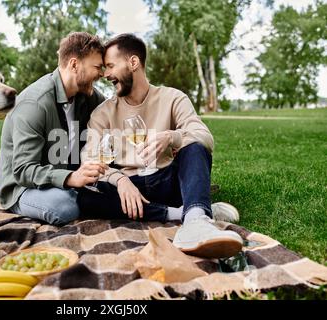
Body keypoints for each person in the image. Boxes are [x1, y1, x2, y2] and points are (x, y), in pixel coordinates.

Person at [77, 34, 243, 259]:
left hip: (167, 181)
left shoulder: (173, 98)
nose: (105, 75)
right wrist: (120, 180)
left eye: (110, 66)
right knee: (85, 198)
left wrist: (171, 137)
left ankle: (195, 224)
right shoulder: (103, 112)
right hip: (130, 190)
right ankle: (189, 212)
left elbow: (205, 138)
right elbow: (90, 158)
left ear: (133, 63)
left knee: (194, 147)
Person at [0, 32, 108, 226]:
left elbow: (116, 113)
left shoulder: (87, 96)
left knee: (115, 184)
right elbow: (23, 170)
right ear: (74, 64)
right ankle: (83, 197)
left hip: (63, 175)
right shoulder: (35, 104)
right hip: (21, 186)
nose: (102, 74)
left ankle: (83, 195)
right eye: (97, 67)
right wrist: (71, 178)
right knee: (64, 207)